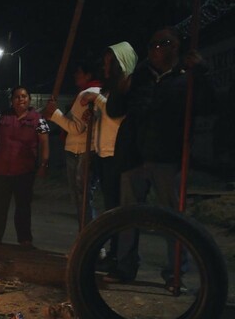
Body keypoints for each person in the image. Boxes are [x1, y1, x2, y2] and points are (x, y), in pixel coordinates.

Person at [87, 27, 216, 288]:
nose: (156, 49)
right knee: (128, 215)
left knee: (173, 218)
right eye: (152, 45)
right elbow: (114, 111)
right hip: (134, 155)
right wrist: (121, 89)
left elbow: (208, 106)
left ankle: (175, 273)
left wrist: (202, 72)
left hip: (168, 157)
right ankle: (125, 267)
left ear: (176, 47)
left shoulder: (187, 77)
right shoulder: (140, 77)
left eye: (163, 43)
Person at [77, 42, 138, 266]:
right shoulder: (110, 88)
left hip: (119, 155)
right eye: (104, 63)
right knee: (110, 209)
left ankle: (124, 259)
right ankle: (114, 254)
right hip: (103, 154)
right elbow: (105, 116)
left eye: (109, 63)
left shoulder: (128, 86)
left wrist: (98, 101)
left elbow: (116, 114)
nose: (105, 68)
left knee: (121, 211)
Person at [42, 57, 103, 231]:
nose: (75, 76)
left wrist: (54, 114)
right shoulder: (97, 93)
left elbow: (75, 128)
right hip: (82, 150)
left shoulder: (88, 94)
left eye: (79, 72)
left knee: (82, 199)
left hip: (81, 151)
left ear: (88, 74)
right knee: (82, 198)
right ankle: (87, 240)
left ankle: (89, 241)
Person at [0, 86, 50, 248]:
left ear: (29, 98)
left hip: (24, 171)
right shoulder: (2, 116)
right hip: (2, 171)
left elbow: (44, 142)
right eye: (17, 97)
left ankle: (25, 240)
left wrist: (43, 163)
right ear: (11, 100)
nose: (20, 99)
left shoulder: (38, 119)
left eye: (24, 96)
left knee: (23, 208)